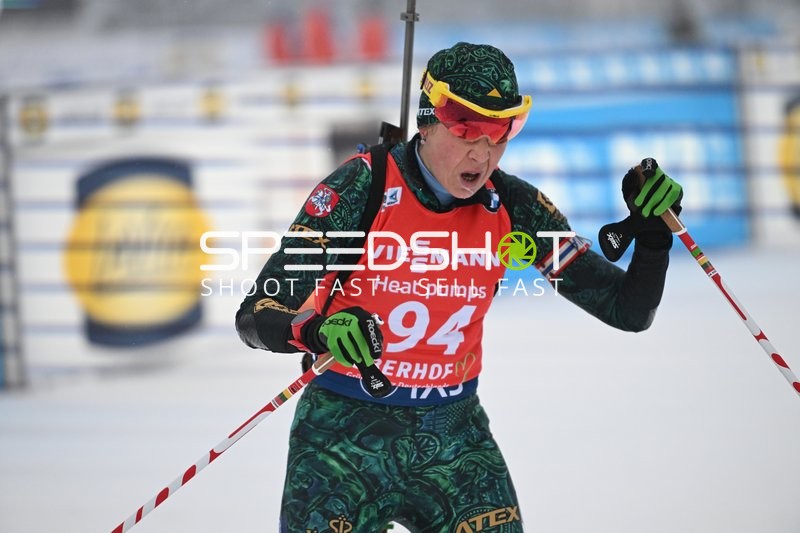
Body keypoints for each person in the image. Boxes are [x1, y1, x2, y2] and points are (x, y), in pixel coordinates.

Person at [236, 42, 682, 532]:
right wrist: (317, 330)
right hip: (342, 436)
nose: (483, 151)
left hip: (453, 435)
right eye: (468, 128)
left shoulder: (512, 206)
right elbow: (258, 313)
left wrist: (654, 236)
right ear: (428, 120)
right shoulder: (360, 188)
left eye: (502, 131)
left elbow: (627, 310)